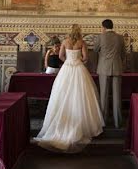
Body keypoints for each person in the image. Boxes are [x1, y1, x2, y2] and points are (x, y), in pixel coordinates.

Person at [34, 24, 104, 152]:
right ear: (79, 32)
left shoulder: (65, 42)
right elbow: (86, 58)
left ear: (70, 32)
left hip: (66, 69)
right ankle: (81, 123)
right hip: (78, 68)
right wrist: (78, 61)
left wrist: (68, 60)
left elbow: (60, 56)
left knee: (62, 94)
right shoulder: (82, 42)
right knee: (81, 95)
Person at [96, 18, 126, 128]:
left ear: (103, 27)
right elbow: (123, 54)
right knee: (117, 96)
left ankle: (103, 122)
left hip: (103, 68)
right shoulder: (120, 38)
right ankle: (117, 122)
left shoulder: (100, 37)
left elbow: (95, 50)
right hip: (117, 68)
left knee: (103, 95)